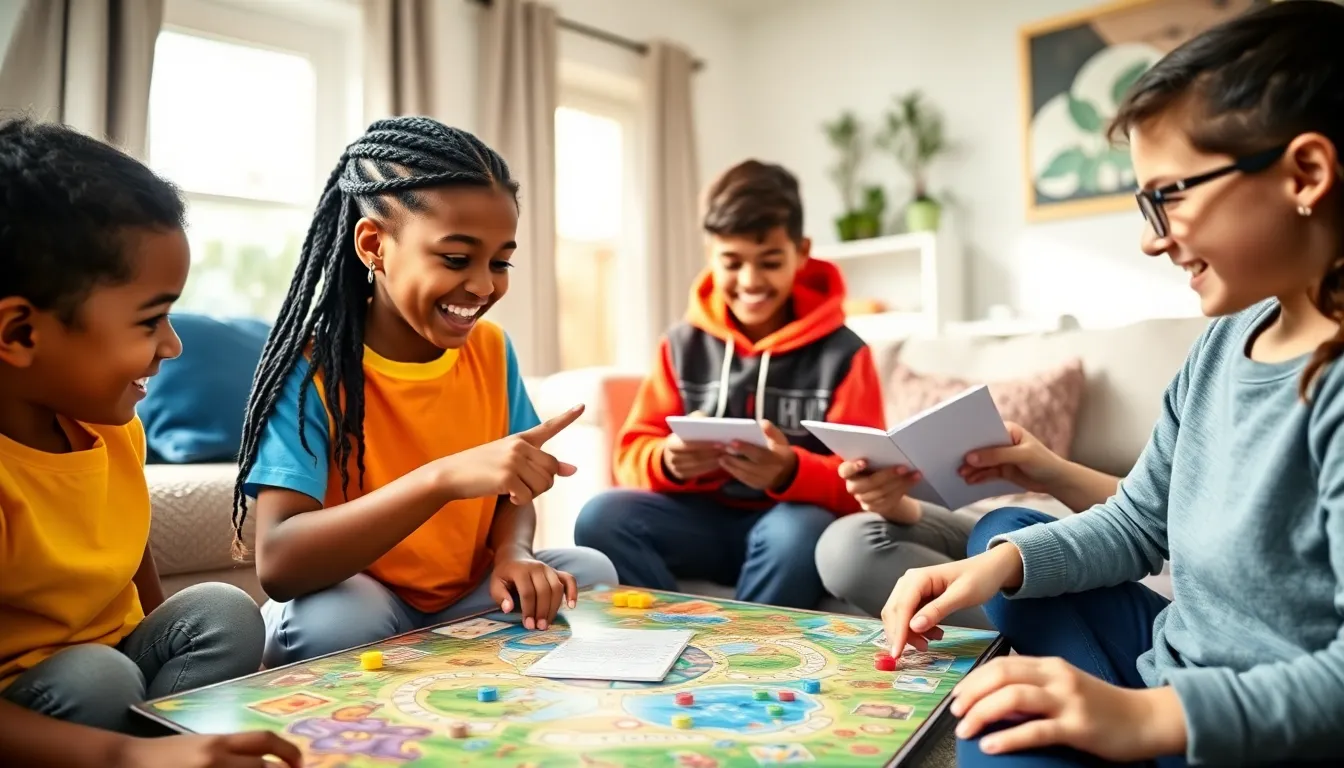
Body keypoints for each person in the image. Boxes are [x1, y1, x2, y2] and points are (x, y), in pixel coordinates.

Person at [881, 3, 1344, 765]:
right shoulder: (1225, 341)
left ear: (1306, 173)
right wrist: (991, 568)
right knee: (1007, 554)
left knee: (1001, 733)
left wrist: (1149, 721)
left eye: (1171, 193)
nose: (1150, 236)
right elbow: (1138, 524)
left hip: (1257, 725)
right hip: (1170, 676)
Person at [233, 117, 617, 667]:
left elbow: (514, 496)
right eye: (456, 259)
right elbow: (279, 562)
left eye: (500, 261)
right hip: (359, 598)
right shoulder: (313, 366)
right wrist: (442, 480)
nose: (484, 285)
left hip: (463, 597)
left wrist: (513, 553)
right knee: (344, 617)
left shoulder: (490, 349)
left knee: (590, 574)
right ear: (374, 245)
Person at [0, 119, 299, 767]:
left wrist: (163, 635)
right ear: (20, 333)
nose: (172, 345)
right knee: (98, 679)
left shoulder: (113, 429)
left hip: (114, 662)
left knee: (223, 609)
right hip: (38, 704)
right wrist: (125, 756)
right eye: (149, 320)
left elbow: (133, 555)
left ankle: (180, 750)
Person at [574, 160, 885, 609]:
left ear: (802, 252)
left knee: (797, 531)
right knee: (601, 516)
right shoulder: (682, 344)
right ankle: (676, 637)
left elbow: (866, 484)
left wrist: (789, 471)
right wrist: (667, 461)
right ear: (710, 256)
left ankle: (746, 653)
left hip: (788, 527)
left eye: (771, 262)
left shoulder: (845, 355)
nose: (750, 281)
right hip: (697, 523)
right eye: (732, 263)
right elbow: (631, 455)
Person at [815, 421, 1122, 628]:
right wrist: (1054, 474)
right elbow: (1145, 506)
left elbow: (1144, 523)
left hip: (1089, 559)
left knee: (997, 529)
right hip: (1089, 511)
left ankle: (1025, 639)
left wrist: (1008, 559)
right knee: (845, 542)